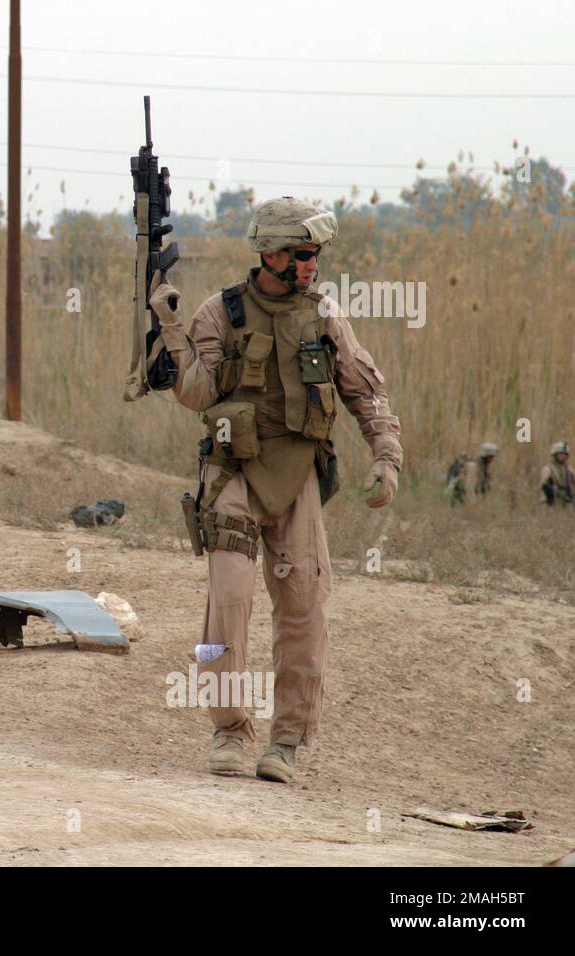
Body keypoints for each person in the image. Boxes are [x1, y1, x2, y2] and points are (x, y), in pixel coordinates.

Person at [148, 197, 403, 783]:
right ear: (270, 253)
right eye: (302, 253)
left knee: (303, 611)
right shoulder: (219, 313)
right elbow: (195, 393)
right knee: (227, 606)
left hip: (297, 478)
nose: (312, 264)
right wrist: (169, 325)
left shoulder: (324, 317)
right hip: (233, 474)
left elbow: (366, 392)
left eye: (316, 254)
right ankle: (229, 728)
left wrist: (386, 455)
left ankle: (286, 740)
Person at [540, 440, 574, 507]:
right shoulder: (548, 469)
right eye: (560, 454)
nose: (563, 456)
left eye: (564, 454)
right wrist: (557, 493)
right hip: (550, 503)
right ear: (555, 454)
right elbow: (544, 486)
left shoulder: (569, 470)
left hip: (566, 503)